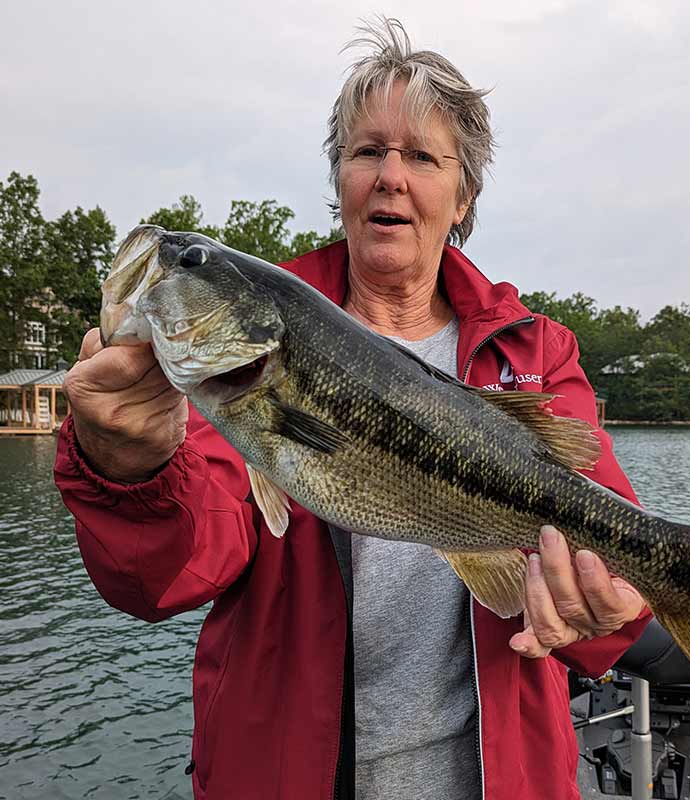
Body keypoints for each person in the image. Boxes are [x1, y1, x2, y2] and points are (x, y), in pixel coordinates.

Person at [55, 18, 651, 800]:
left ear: (463, 194)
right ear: (339, 179)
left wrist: (615, 607)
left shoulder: (536, 354)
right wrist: (130, 467)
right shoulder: (246, 359)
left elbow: (609, 568)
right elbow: (170, 574)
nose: (390, 176)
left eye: (423, 157)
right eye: (367, 151)